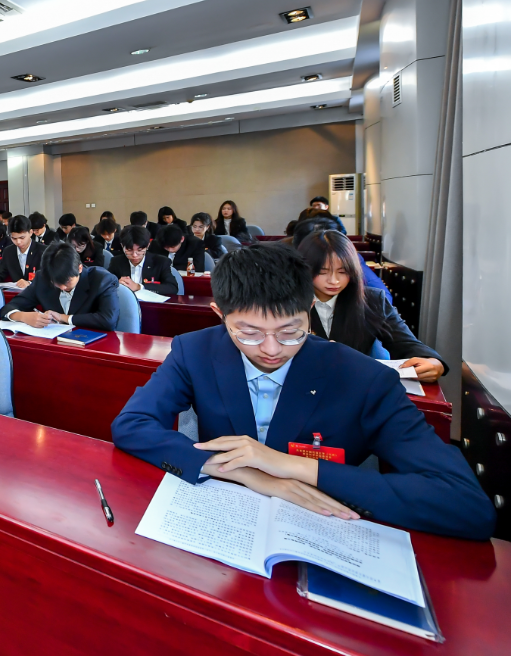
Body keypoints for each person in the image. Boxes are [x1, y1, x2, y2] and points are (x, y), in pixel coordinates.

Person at [110, 243, 494, 541]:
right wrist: (247, 473)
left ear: (309, 308)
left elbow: (466, 505)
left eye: (291, 331)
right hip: (229, 519)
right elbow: (131, 425)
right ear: (219, 314)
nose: (271, 349)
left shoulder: (364, 378)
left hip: (323, 528)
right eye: (249, 333)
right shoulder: (195, 351)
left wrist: (291, 466)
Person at [298, 230, 445, 381]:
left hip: (355, 386)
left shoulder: (372, 300)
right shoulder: (288, 303)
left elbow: (406, 343)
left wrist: (433, 362)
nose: (334, 280)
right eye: (323, 272)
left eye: (343, 271)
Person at [0, 243, 120, 331]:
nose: (62, 287)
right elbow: (8, 308)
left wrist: (64, 318)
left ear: (79, 268)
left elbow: (108, 320)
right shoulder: (43, 279)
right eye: (56, 282)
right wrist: (23, 316)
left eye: (67, 281)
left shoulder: (102, 280)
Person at [290, 213, 391, 302]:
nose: (334, 281)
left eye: (342, 271)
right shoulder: (288, 260)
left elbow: (383, 298)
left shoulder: (349, 259)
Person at [108, 225, 179, 295]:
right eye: (129, 250)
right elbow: (106, 284)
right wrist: (116, 284)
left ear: (147, 246)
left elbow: (172, 288)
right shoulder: (116, 262)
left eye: (139, 250)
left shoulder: (161, 262)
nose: (134, 255)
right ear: (122, 246)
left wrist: (139, 287)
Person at [0, 215, 44, 287]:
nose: (18, 242)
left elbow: (48, 277)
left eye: (22, 237)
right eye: (14, 238)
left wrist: (30, 283)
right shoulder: (9, 251)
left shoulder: (43, 251)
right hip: (16, 292)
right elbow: (0, 272)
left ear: (31, 232)